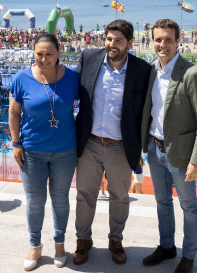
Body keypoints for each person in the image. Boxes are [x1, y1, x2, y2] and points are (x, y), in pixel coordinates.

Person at [73, 20, 152, 266]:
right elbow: (69, 88)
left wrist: (142, 147)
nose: (112, 44)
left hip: (120, 145)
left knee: (119, 197)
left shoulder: (142, 70)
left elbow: (148, 111)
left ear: (130, 43)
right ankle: (83, 241)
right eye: (109, 39)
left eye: (118, 40)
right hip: (90, 142)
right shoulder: (89, 58)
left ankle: (115, 240)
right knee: (85, 196)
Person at [140, 18, 197, 273]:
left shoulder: (192, 74)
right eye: (158, 39)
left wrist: (196, 160)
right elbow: (148, 113)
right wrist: (142, 148)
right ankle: (167, 246)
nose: (163, 44)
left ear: (178, 41)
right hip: (154, 148)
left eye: (168, 39)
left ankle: (189, 255)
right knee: (162, 202)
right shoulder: (151, 71)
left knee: (189, 207)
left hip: (181, 155)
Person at [9, 33, 79, 270]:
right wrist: (16, 143)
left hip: (65, 151)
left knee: (60, 200)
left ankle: (59, 244)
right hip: (32, 152)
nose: (44, 59)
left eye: (49, 54)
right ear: (33, 53)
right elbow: (13, 113)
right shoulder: (22, 78)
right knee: (35, 202)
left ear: (59, 53)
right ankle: (35, 245)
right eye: (39, 54)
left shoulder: (71, 77)